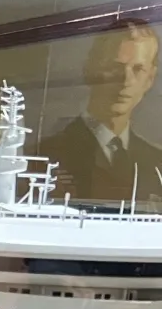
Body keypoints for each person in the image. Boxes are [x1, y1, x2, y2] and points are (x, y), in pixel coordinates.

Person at [38, 18, 162, 202]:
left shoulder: (157, 161)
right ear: (90, 70)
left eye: (138, 69)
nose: (126, 81)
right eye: (115, 67)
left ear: (150, 79)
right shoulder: (43, 155)